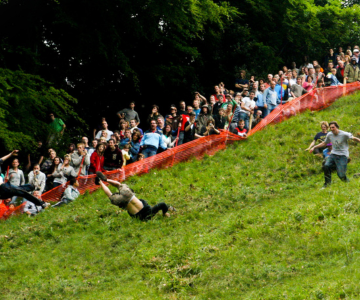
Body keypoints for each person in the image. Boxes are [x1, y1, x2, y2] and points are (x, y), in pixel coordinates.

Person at [95, 172, 175, 221]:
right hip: (126, 204)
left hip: (129, 196)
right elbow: (164, 205)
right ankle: (101, 182)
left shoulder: (149, 212)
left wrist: (164, 212)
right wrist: (165, 214)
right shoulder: (140, 218)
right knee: (110, 195)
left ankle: (104, 180)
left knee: (119, 185)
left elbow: (162, 204)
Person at [309, 121, 360, 188]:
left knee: (341, 175)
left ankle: (348, 183)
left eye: (333, 127)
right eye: (330, 128)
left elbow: (354, 138)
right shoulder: (329, 134)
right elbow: (324, 143)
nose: (332, 129)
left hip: (343, 155)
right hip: (333, 154)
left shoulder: (344, 134)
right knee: (326, 166)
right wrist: (314, 147)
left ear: (337, 127)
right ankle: (327, 184)